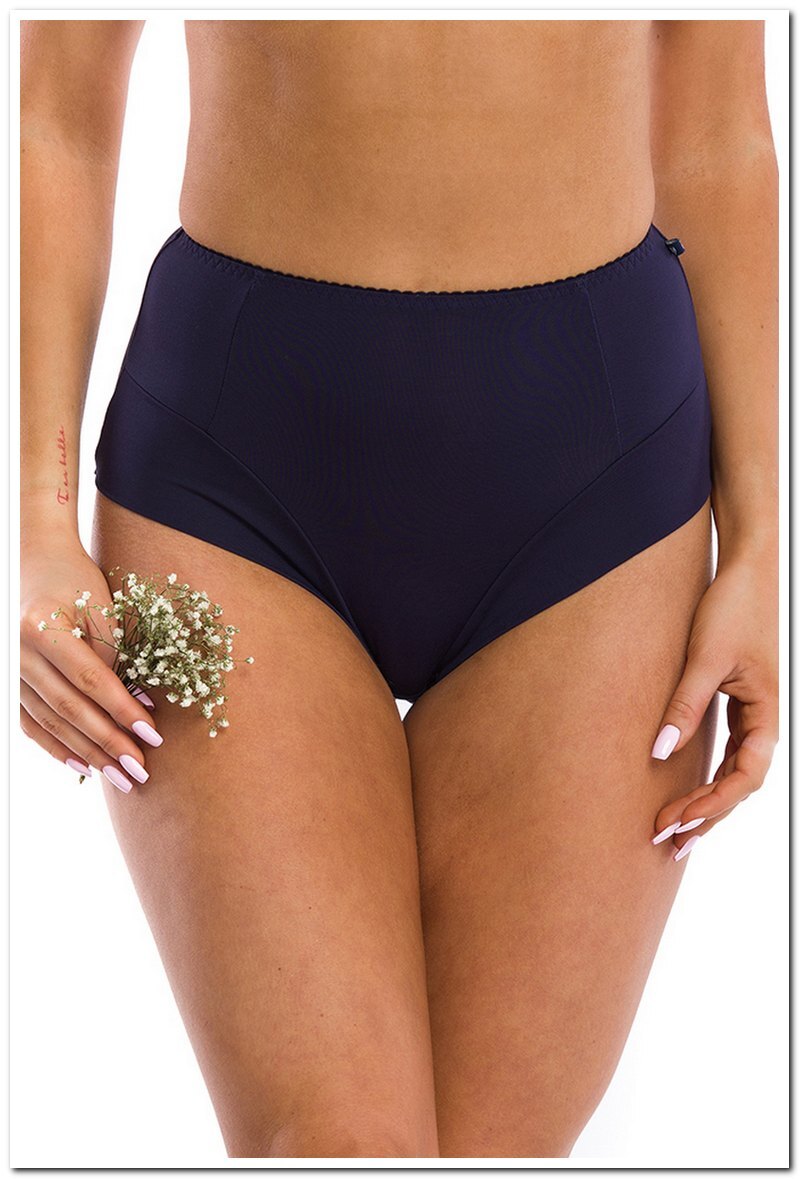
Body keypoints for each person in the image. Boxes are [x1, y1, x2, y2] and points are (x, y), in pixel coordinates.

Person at [20, 17, 778, 1160]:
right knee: (333, 1143)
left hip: (601, 491)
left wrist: (761, 542)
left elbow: (716, 131)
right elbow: (56, 116)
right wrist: (35, 520)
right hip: (231, 476)